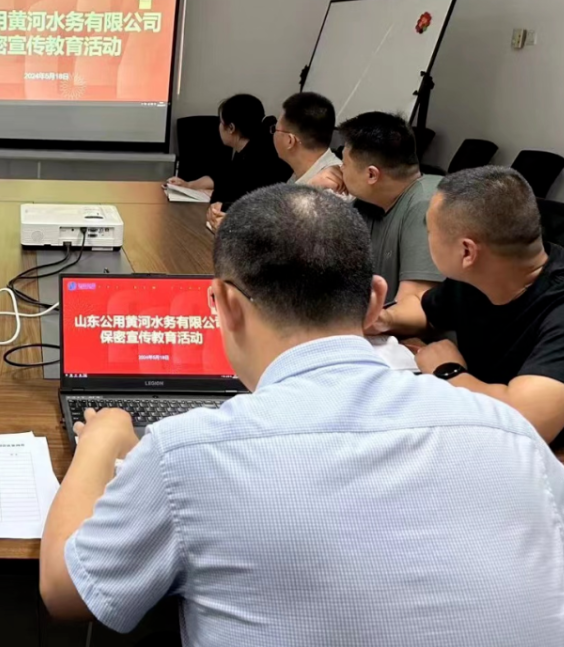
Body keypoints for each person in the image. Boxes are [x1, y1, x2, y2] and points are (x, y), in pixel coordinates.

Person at [40, 183, 564, 646]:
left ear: (223, 303)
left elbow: (66, 592)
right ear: (374, 300)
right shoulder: (514, 436)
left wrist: (101, 441)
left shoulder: (187, 452)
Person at [372, 166, 564, 446]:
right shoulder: (482, 274)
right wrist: (383, 318)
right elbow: (427, 311)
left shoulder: (557, 307)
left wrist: (448, 371)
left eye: (429, 231)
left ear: (466, 252)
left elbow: (528, 422)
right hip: (480, 425)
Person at [338, 111, 442, 305]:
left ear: (371, 175)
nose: (339, 170)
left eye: (344, 164)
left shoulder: (427, 203)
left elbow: (415, 305)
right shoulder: (369, 202)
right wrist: (314, 187)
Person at [167, 94, 290, 232]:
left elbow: (234, 199)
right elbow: (222, 178)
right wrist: (189, 185)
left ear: (231, 128)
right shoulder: (247, 150)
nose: (219, 127)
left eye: (221, 122)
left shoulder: (258, 160)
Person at [272, 91, 344, 190]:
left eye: (275, 129)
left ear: (290, 141)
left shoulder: (333, 186)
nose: (273, 134)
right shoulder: (303, 171)